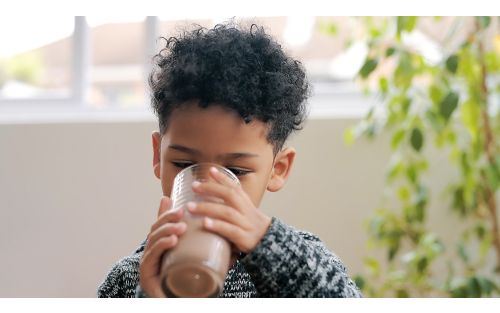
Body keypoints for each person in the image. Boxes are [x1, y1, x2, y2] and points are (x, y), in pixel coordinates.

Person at [97, 21, 362, 298]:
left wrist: (268, 244)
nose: (206, 188)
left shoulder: (300, 264)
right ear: (158, 156)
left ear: (278, 169)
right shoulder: (130, 279)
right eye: (185, 166)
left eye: (234, 170)